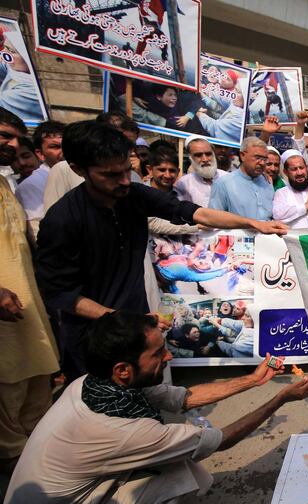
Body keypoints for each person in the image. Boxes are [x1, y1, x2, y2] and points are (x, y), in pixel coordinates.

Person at [0, 311, 308, 504]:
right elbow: (218, 440)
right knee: (177, 472)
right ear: (124, 368)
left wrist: (253, 380)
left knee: (167, 460)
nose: (168, 358)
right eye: (159, 353)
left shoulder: (91, 383)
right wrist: (279, 399)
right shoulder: (125, 431)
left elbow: (184, 397)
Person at [35, 122, 288, 381]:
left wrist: (252, 223)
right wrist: (121, 319)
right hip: (94, 338)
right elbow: (60, 294)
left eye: (126, 170)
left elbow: (193, 213)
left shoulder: (132, 195)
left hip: (138, 324)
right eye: (110, 175)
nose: (124, 181)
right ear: (79, 170)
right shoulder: (62, 221)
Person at [0, 108, 59, 475]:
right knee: (8, 399)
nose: (12, 144)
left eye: (15, 137)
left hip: (28, 308)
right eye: (4, 136)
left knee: (35, 395)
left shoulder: (5, 184)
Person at [15, 120, 64, 238]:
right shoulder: (31, 185)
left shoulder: (82, 173)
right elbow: (38, 234)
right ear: (40, 154)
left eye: (67, 145)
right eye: (55, 147)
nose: (63, 151)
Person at [208, 137, 275, 220]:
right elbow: (214, 219)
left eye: (264, 159)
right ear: (242, 156)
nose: (262, 163)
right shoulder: (223, 184)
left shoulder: (267, 182)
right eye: (257, 158)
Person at [272, 149, 308, 229]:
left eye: (301, 168)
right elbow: (277, 215)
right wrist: (306, 206)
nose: (299, 173)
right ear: (285, 172)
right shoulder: (281, 193)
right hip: (293, 240)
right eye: (294, 169)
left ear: (306, 168)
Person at [174, 136, 228, 207]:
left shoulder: (228, 177)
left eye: (208, 154)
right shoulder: (183, 183)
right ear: (190, 157)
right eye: (198, 155)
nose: (205, 159)